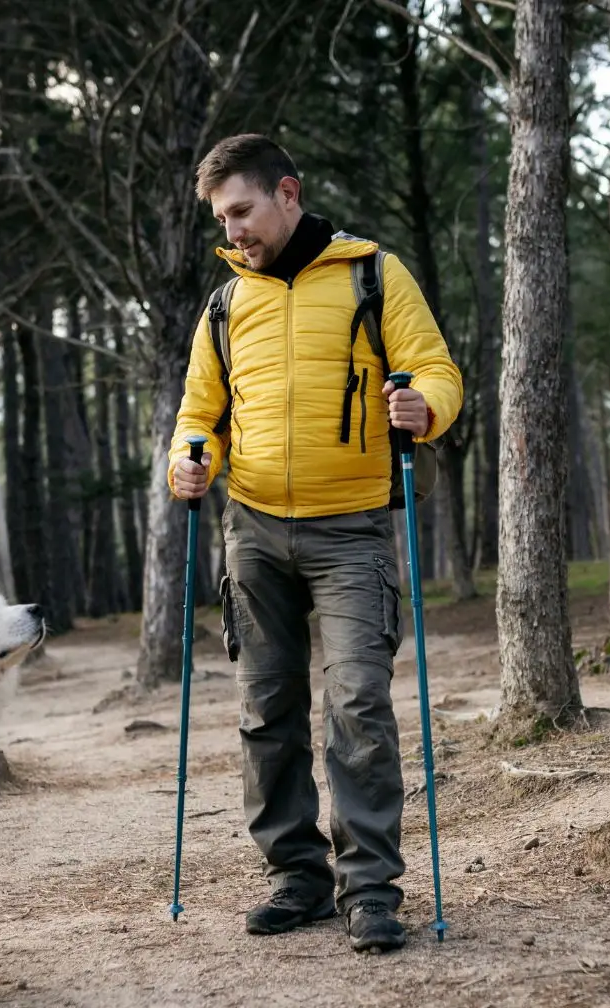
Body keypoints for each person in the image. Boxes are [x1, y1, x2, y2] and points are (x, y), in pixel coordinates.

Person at [167, 133, 463, 953]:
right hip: (254, 529)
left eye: (243, 212)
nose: (233, 233)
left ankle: (370, 887)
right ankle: (296, 876)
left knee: (359, 702)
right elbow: (200, 415)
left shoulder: (374, 274)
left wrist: (424, 409)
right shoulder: (226, 305)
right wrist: (189, 465)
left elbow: (436, 370)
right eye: (222, 219)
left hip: (353, 531)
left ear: (287, 194)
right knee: (267, 709)